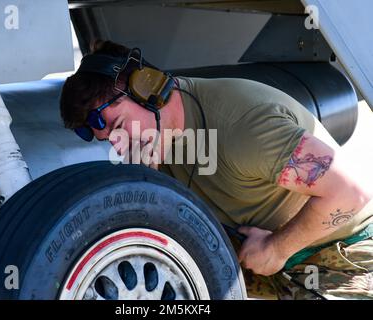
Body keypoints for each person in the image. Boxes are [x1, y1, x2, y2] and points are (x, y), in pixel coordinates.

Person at [60, 40, 373, 300]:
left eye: (119, 126)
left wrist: (277, 248)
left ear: (147, 88)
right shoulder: (154, 140)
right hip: (261, 253)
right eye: (109, 139)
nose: (118, 145)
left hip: (344, 252)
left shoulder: (242, 126)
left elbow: (351, 193)